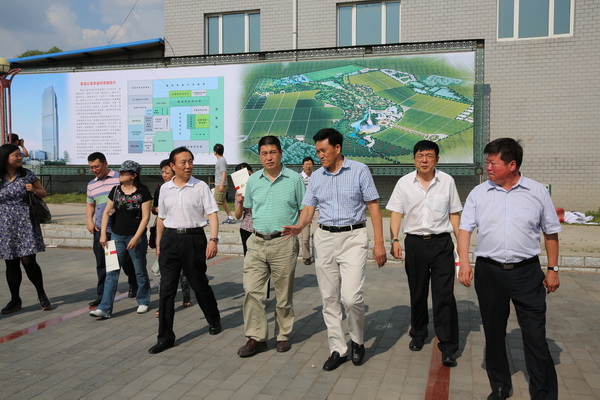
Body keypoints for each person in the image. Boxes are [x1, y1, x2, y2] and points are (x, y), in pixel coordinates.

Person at [457, 138, 561, 400]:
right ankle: (500, 385)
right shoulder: (479, 193)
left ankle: (543, 392)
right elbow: (465, 229)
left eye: (493, 162)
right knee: (493, 333)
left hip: (527, 273)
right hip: (489, 273)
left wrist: (553, 269)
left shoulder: (537, 192)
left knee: (535, 336)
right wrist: (464, 263)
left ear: (512, 165)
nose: (488, 167)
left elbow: (551, 232)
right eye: (487, 162)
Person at [283, 128, 387, 371]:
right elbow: (309, 208)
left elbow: (373, 206)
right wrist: (300, 226)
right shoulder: (317, 177)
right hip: (325, 239)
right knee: (329, 298)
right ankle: (337, 349)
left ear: (337, 148)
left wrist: (379, 242)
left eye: (324, 150)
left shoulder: (359, 170)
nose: (320, 155)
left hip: (353, 238)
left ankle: (357, 340)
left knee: (351, 298)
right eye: (317, 151)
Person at [386, 140, 461, 367]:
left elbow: (454, 214)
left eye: (429, 156)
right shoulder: (404, 183)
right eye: (420, 156)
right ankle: (418, 333)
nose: (424, 160)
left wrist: (462, 246)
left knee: (444, 296)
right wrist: (394, 239)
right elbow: (396, 213)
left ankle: (448, 345)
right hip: (415, 244)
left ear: (437, 159)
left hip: (441, 245)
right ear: (414, 159)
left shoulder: (447, 181)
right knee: (417, 293)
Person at [236, 135, 305, 358]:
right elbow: (248, 210)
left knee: (283, 294)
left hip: (283, 242)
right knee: (252, 291)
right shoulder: (253, 181)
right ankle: (256, 338)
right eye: (264, 153)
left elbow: (304, 209)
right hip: (256, 242)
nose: (269, 157)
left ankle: (283, 334)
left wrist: (300, 227)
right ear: (259, 156)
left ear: (280, 154)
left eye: (273, 152)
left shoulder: (294, 179)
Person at [149, 146, 222, 354]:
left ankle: (214, 319)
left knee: (199, 284)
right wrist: (159, 243)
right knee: (166, 290)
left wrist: (213, 240)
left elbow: (212, 214)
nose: (188, 165)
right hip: (170, 240)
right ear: (172, 166)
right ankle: (165, 337)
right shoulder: (165, 189)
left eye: (190, 161)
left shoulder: (200, 187)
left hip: (193, 239)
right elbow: (161, 218)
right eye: (183, 162)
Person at [89, 160, 152, 319]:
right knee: (111, 271)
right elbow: (106, 212)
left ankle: (143, 300)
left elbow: (145, 218)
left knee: (139, 270)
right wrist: (103, 234)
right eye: (120, 172)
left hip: (135, 238)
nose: (121, 175)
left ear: (134, 175)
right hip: (116, 236)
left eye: (124, 173)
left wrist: (136, 238)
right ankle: (104, 308)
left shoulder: (143, 192)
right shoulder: (116, 190)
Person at [0, 144, 50, 313]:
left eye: (20, 155)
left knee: (28, 261)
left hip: (26, 224)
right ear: (6, 157)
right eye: (16, 155)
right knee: (11, 263)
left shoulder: (26, 175)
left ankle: (41, 294)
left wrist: (34, 190)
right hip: (5, 226)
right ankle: (15, 300)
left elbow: (43, 192)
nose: (20, 157)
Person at [86, 152, 137, 306]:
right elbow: (90, 205)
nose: (94, 170)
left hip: (119, 229)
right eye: (91, 167)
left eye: (96, 166)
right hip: (100, 229)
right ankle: (102, 295)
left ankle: (134, 283)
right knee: (102, 263)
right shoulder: (91, 184)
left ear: (105, 163)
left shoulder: (119, 178)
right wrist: (89, 221)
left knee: (126, 261)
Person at [152, 159, 191, 315]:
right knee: (165, 274)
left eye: (166, 172)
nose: (164, 175)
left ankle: (186, 294)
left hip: (182, 236)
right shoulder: (161, 189)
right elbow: (154, 209)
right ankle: (164, 305)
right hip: (165, 234)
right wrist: (160, 209)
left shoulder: (187, 188)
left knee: (184, 272)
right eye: (162, 172)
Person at [299, 156, 319, 265]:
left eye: (310, 164)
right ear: (303, 165)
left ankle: (317, 256)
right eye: (306, 164)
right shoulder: (299, 178)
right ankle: (306, 257)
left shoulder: (317, 177)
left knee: (316, 235)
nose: (308, 166)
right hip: (304, 210)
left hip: (317, 210)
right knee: (305, 237)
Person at [233, 163, 254, 256]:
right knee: (249, 258)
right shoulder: (239, 192)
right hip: (247, 228)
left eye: (248, 174)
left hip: (263, 229)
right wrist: (241, 203)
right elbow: (238, 216)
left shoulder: (260, 186)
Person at [213, 143, 235, 224]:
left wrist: (221, 185)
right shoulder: (220, 160)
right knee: (224, 202)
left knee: (215, 203)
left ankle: (212, 219)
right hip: (220, 184)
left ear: (215, 152)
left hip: (220, 184)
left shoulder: (221, 160)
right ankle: (230, 217)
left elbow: (224, 173)